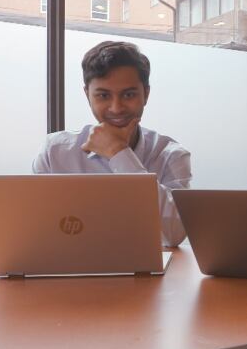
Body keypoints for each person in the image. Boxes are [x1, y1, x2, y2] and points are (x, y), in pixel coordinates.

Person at [33, 41, 191, 248]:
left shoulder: (171, 155)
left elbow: (173, 234)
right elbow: (36, 230)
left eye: (129, 94)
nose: (116, 108)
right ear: (87, 95)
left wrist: (119, 154)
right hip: (70, 269)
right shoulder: (55, 151)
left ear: (146, 94)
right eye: (103, 95)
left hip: (146, 276)